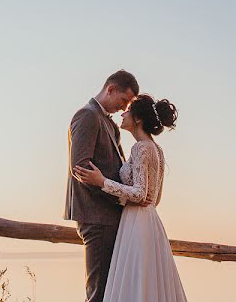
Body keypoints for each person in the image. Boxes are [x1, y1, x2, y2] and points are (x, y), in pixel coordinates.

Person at [73, 94, 187, 302]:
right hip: (149, 221)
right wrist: (135, 199)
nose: (123, 113)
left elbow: (140, 194)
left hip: (136, 224)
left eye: (128, 110)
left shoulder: (141, 148)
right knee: (147, 282)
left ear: (137, 119)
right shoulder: (156, 149)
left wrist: (102, 181)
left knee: (134, 283)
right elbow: (155, 198)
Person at [65, 70, 139, 302]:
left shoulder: (106, 122)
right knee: (99, 293)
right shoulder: (88, 116)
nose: (124, 107)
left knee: (109, 291)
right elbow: (81, 168)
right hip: (97, 216)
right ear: (110, 89)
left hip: (107, 217)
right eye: (124, 100)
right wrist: (119, 197)